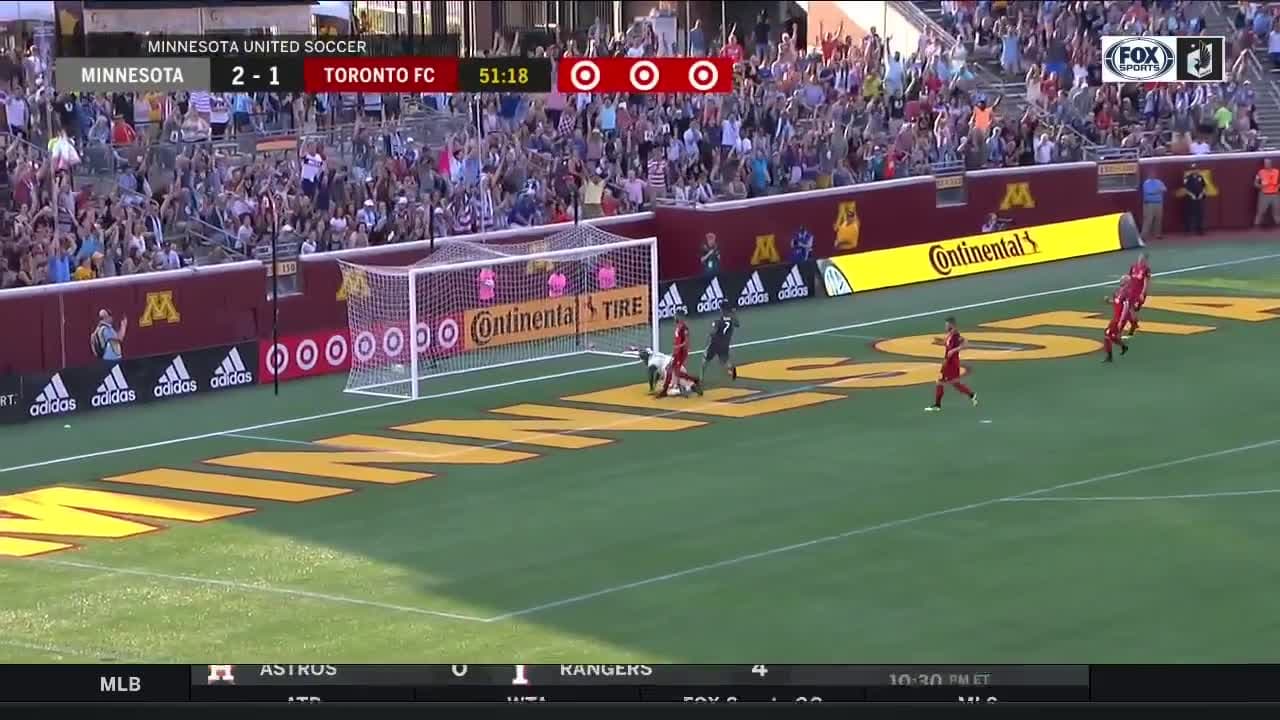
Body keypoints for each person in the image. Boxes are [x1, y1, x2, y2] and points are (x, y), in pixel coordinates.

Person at [926, 316, 977, 412]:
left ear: (951, 325)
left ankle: (937, 405)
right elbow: (946, 344)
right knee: (951, 382)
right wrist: (938, 342)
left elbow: (965, 344)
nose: (945, 326)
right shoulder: (950, 334)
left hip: (952, 363)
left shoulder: (956, 335)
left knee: (943, 382)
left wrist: (954, 350)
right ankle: (971, 394)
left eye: (946, 324)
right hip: (947, 361)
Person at [656, 308, 702, 398]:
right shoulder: (678, 326)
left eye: (676, 316)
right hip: (677, 352)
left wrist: (679, 347)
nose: (674, 317)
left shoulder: (684, 327)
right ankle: (693, 382)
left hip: (681, 353)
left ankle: (694, 380)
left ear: (680, 316)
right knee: (670, 369)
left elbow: (686, 341)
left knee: (675, 371)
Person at [701, 305, 739, 382]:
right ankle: (731, 367)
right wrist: (734, 314)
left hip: (715, 344)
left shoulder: (718, 321)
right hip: (725, 345)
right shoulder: (732, 320)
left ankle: (701, 378)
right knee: (724, 361)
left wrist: (708, 339)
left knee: (705, 361)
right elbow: (737, 324)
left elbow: (713, 332)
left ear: (722, 310)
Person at [1102, 280, 1132, 363]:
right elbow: (1116, 302)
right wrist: (1108, 301)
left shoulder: (1126, 294)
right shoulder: (1117, 292)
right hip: (1115, 318)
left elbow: (1126, 308)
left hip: (1120, 319)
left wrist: (1121, 321)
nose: (1121, 280)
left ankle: (1110, 356)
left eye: (1124, 279)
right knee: (1109, 335)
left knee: (1108, 334)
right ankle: (1123, 347)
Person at [1124, 253, 1151, 337]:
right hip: (1131, 291)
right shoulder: (1133, 267)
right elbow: (1129, 278)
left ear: (1145, 260)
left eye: (1143, 259)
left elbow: (1146, 282)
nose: (1140, 260)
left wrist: (1143, 293)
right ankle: (1134, 324)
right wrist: (1126, 288)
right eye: (1140, 258)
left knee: (1133, 309)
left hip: (1139, 293)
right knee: (1128, 308)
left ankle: (1134, 324)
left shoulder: (1146, 269)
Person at [1254, 158, 1280, 227]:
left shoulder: (1277, 171)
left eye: (1268, 163)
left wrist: (1278, 186)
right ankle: (1255, 227)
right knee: (1260, 212)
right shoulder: (1260, 172)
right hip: (1264, 195)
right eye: (1265, 163)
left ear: (1271, 163)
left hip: (1275, 195)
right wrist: (1261, 186)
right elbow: (1255, 184)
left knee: (1277, 213)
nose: (1266, 164)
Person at [1140, 173, 1167, 239]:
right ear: (1149, 175)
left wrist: (1158, 190)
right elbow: (1149, 192)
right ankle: (1143, 236)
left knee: (1158, 219)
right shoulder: (1146, 183)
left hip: (1159, 203)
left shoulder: (1159, 181)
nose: (1152, 175)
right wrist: (1158, 190)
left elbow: (1165, 189)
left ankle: (1157, 234)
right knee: (1148, 220)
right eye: (1151, 174)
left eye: (1153, 174)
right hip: (1149, 203)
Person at [1182, 166, 1206, 235]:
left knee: (1200, 214)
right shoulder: (1187, 177)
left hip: (1199, 198)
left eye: (1197, 169)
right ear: (1192, 170)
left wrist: (1201, 194)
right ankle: (1188, 230)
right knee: (1189, 214)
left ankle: (1200, 229)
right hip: (1190, 198)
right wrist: (1191, 195)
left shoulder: (1200, 177)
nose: (1196, 170)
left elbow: (1204, 186)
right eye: (1194, 169)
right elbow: (1185, 188)